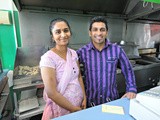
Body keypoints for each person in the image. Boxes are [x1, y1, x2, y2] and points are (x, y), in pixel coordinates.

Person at [77, 16, 137, 107]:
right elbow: (69, 66)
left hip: (112, 101)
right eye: (95, 30)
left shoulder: (117, 50)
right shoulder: (83, 52)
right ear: (90, 33)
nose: (99, 33)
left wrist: (131, 89)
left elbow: (128, 70)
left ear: (106, 32)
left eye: (102, 30)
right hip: (90, 102)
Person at [39, 18, 86, 120]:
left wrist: (84, 98)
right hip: (61, 109)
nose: (63, 35)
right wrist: (73, 108)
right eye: (58, 32)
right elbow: (51, 93)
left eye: (66, 30)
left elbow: (79, 77)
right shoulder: (48, 58)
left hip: (79, 105)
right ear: (52, 37)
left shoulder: (73, 53)